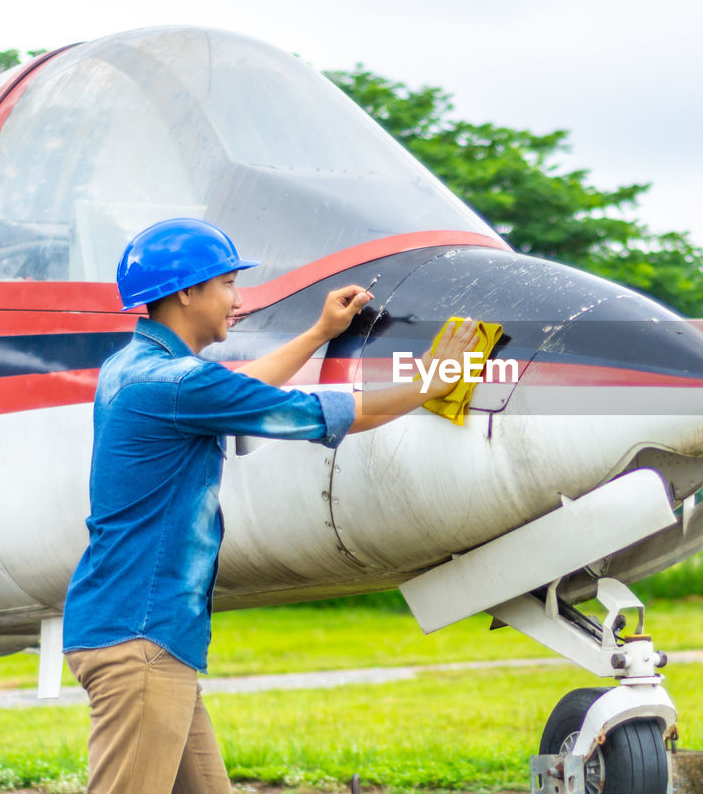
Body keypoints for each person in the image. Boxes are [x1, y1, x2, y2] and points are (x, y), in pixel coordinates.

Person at [62, 218, 477, 794]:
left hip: (143, 633)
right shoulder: (177, 385)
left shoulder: (135, 369)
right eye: (229, 284)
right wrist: (431, 383)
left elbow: (242, 387)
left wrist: (318, 332)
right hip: (141, 641)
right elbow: (325, 414)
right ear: (188, 292)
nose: (238, 300)